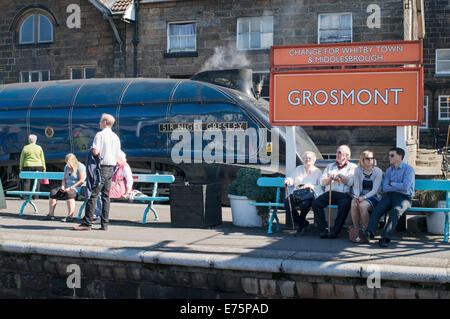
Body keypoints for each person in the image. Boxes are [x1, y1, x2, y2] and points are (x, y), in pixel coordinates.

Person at [73, 113, 121, 231]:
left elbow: (95, 151)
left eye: (100, 121)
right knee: (105, 197)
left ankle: (87, 223)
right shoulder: (115, 137)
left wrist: (91, 150)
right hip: (111, 169)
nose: (99, 123)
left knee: (92, 195)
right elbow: (118, 156)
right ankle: (104, 224)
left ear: (104, 122)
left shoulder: (100, 135)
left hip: (101, 168)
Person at [362, 147, 415, 248]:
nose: (389, 157)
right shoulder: (389, 170)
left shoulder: (409, 169)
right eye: (389, 155)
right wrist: (396, 185)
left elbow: (406, 187)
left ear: (400, 156)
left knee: (396, 210)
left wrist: (392, 184)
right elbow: (385, 188)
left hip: (404, 197)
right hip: (389, 195)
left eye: (392, 155)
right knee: (377, 209)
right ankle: (370, 232)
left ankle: (385, 237)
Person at [311, 145, 357, 239]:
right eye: (336, 152)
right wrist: (329, 178)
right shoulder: (330, 166)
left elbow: (351, 182)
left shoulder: (353, 167)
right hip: (330, 192)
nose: (337, 154)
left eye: (339, 152)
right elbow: (322, 182)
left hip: (343, 194)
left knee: (345, 205)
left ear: (347, 156)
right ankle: (323, 229)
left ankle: (336, 231)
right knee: (316, 203)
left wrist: (340, 176)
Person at [283, 151, 323, 235]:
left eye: (309, 158)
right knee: (287, 202)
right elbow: (292, 179)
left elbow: (320, 186)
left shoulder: (317, 171)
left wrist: (310, 185)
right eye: (305, 158)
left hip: (308, 195)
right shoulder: (299, 169)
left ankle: (301, 224)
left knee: (305, 204)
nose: (307, 160)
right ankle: (302, 222)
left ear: (314, 160)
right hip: (297, 193)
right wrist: (288, 180)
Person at [350, 150, 383, 242]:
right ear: (362, 159)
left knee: (362, 205)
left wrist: (363, 198)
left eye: (372, 158)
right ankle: (356, 231)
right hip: (360, 194)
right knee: (354, 204)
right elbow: (356, 186)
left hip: (373, 195)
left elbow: (375, 190)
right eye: (367, 158)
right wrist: (356, 196)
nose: (370, 160)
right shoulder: (357, 170)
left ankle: (367, 231)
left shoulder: (378, 171)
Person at [94, 151, 133, 219]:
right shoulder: (116, 166)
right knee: (96, 192)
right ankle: (99, 214)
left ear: (121, 158)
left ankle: (100, 215)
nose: (114, 161)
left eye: (115, 159)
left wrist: (127, 193)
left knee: (100, 194)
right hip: (113, 187)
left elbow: (130, 180)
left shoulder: (125, 167)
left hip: (119, 189)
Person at [46, 154, 86, 221]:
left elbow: (81, 180)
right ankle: (51, 214)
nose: (68, 165)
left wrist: (70, 188)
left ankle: (70, 216)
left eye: (69, 163)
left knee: (69, 193)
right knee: (53, 192)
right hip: (67, 186)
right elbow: (64, 179)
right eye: (67, 163)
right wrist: (62, 186)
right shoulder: (66, 167)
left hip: (77, 187)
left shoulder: (80, 166)